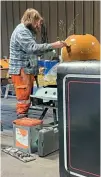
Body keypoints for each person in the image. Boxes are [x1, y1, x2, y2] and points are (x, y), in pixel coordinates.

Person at [9, 8, 67, 119]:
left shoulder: (27, 31)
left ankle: (25, 125)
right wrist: (53, 45)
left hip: (26, 70)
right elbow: (32, 48)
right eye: (38, 23)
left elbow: (30, 51)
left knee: (26, 100)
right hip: (21, 70)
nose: (39, 26)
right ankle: (23, 128)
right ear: (31, 19)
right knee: (23, 101)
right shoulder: (22, 31)